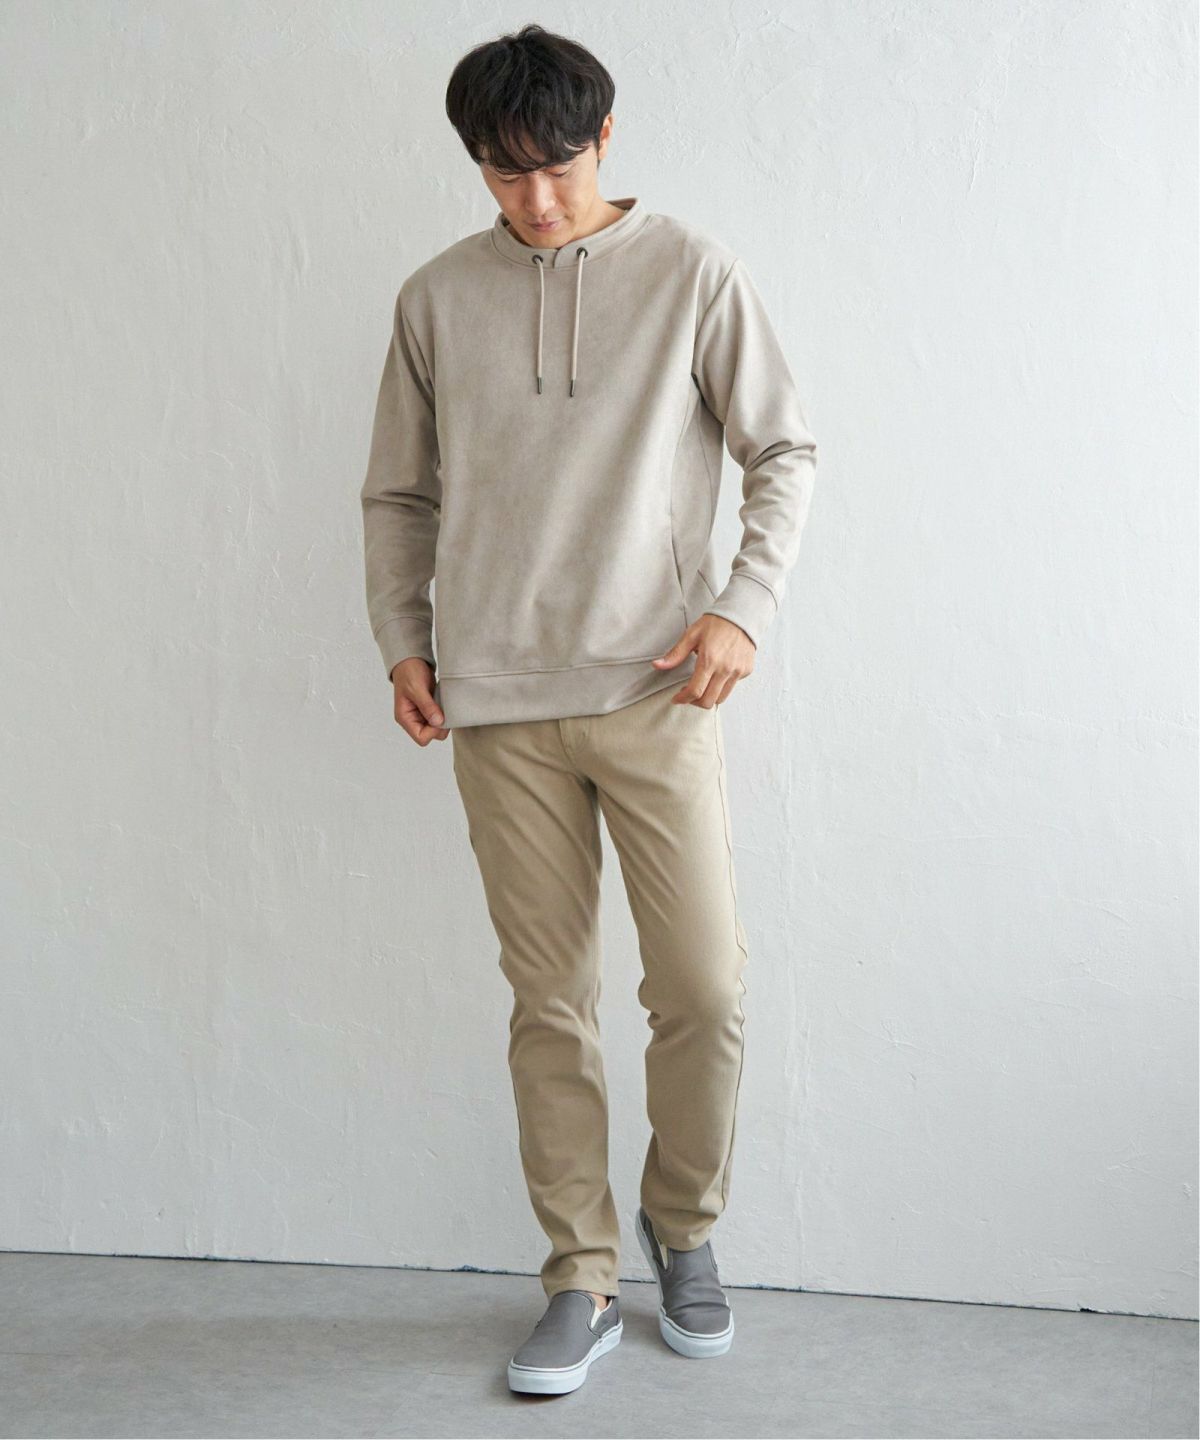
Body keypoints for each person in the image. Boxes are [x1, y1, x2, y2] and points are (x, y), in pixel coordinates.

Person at [359, 23, 818, 1397]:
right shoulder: (436, 298)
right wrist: (404, 640)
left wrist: (744, 606)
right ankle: (580, 1273)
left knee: (704, 989)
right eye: (504, 173)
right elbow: (399, 493)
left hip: (657, 687)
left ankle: (686, 1226)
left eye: (556, 164)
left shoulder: (691, 273)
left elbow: (784, 447)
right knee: (548, 1004)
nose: (537, 198)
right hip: (496, 703)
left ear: (603, 139)